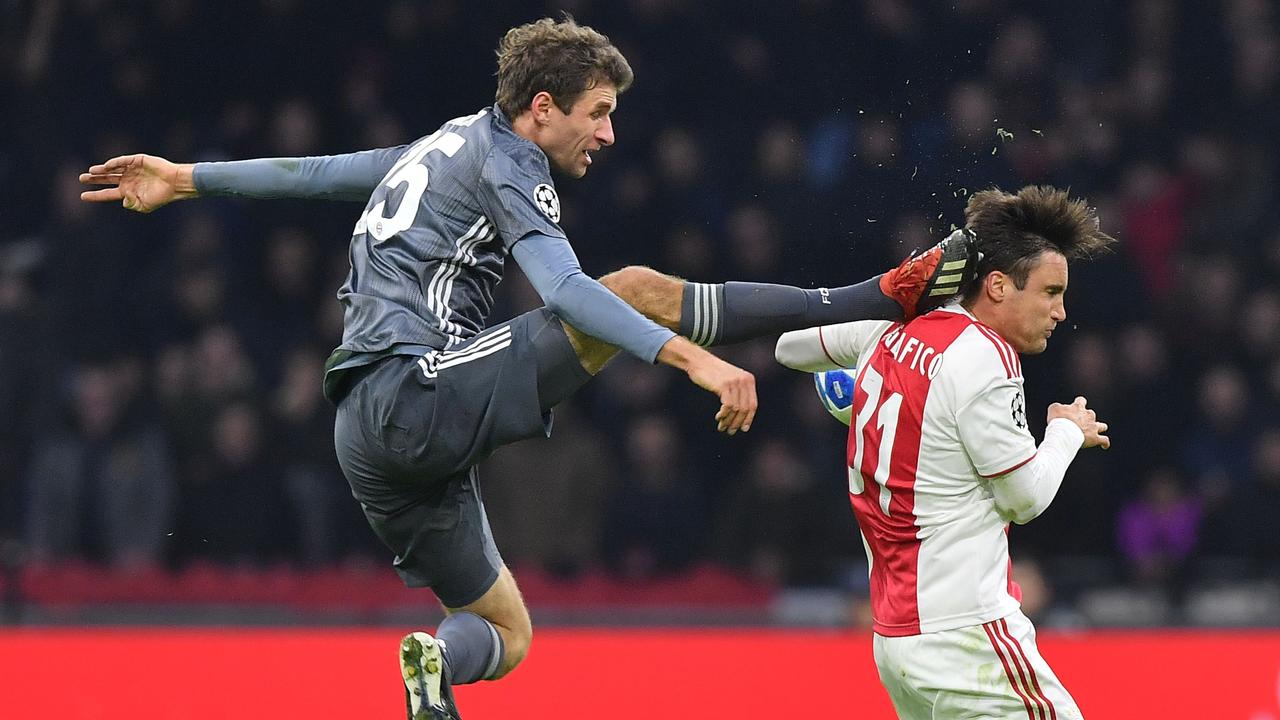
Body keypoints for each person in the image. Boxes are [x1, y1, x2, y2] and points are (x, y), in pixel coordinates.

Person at [80, 17, 975, 720]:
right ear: (541, 107)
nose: (611, 134)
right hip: (413, 385)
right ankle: (868, 295)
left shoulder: (440, 147)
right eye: (599, 112)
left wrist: (187, 178)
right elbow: (572, 290)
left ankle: (434, 662)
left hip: (366, 433)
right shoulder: (511, 164)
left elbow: (313, 172)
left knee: (504, 632)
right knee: (636, 288)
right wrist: (691, 362)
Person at [775, 185, 1114, 719]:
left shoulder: (896, 328)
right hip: (969, 636)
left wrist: (859, 380)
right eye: (1051, 292)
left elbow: (787, 347)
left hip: (896, 641)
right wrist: (1066, 431)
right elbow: (1023, 499)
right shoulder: (986, 359)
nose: (1061, 312)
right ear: (998, 286)